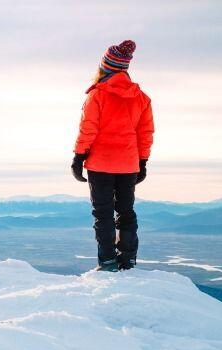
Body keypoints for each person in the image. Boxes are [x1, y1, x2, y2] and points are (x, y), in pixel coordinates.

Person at [71, 40, 154, 272]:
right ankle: (128, 260)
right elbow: (145, 133)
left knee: (103, 213)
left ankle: (107, 262)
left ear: (105, 66)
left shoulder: (97, 95)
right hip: (128, 164)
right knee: (126, 211)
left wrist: (78, 157)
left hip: (100, 163)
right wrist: (142, 161)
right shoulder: (142, 98)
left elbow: (88, 129)